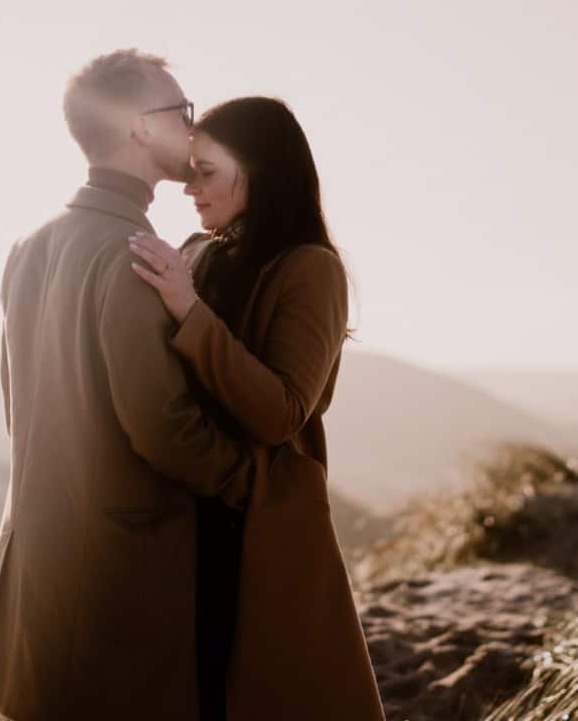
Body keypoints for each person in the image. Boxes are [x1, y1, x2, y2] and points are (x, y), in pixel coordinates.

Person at [0, 50, 255, 720]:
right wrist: (250, 476)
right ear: (136, 126)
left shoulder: (30, 245)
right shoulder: (136, 255)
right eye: (182, 113)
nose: (194, 129)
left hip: (38, 576)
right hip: (118, 583)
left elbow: (23, 413)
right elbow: (164, 430)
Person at [129, 96, 386, 721]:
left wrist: (189, 311)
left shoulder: (311, 270)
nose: (190, 187)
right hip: (184, 517)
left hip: (261, 530)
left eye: (208, 171)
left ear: (262, 171)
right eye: (190, 170)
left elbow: (282, 412)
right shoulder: (197, 251)